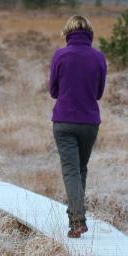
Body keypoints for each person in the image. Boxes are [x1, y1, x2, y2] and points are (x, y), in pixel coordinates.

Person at [49, 14, 107, 238]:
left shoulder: (60, 55)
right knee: (80, 169)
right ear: (90, 33)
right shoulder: (98, 57)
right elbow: (99, 93)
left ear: (67, 33)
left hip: (64, 121)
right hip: (89, 122)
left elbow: (53, 91)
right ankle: (76, 217)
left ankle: (77, 220)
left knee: (72, 171)